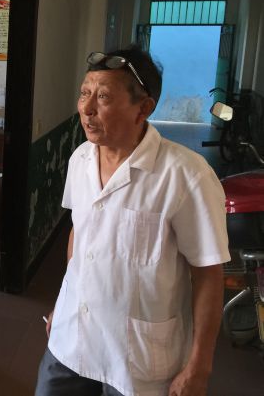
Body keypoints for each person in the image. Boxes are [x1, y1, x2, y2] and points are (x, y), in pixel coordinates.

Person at [36, 46, 230, 396]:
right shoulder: (80, 159)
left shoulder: (186, 176)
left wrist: (199, 366)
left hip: (137, 359)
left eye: (103, 97)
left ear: (143, 108)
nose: (87, 108)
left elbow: (207, 273)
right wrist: (65, 305)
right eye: (84, 93)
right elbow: (80, 232)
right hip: (70, 340)